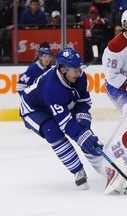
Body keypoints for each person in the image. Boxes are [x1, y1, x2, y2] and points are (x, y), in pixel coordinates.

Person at [19, 48, 103, 189]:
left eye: (79, 67)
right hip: (34, 109)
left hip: (55, 103)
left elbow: (83, 102)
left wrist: (85, 126)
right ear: (63, 69)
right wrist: (81, 135)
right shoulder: (51, 87)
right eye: (75, 69)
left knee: (83, 130)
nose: (79, 72)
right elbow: (66, 124)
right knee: (53, 131)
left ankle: (103, 166)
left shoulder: (80, 76)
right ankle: (77, 170)